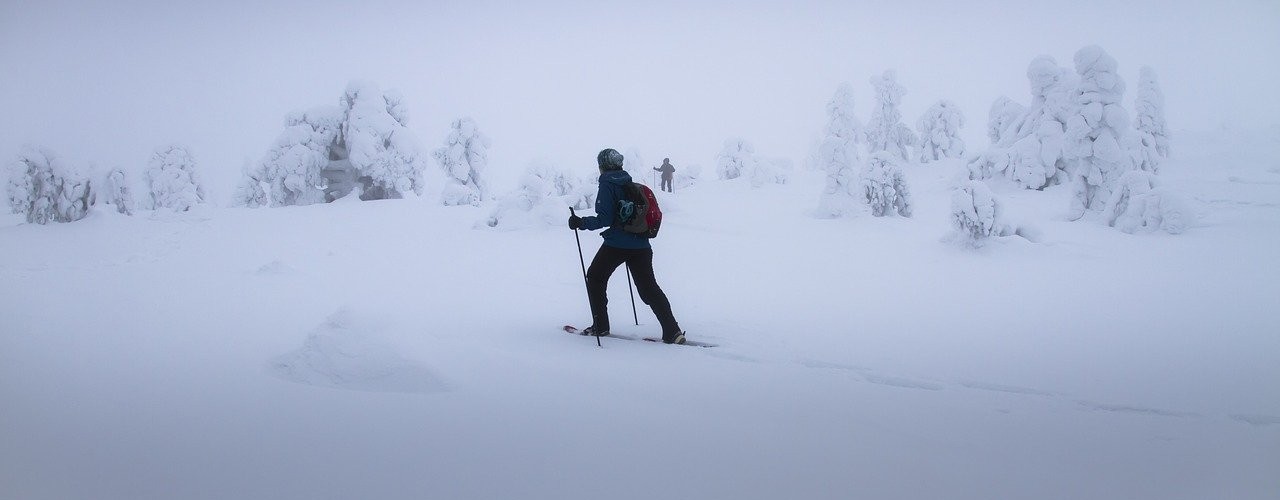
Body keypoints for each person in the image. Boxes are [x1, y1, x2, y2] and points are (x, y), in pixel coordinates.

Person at [568, 148, 685, 344]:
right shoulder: (629, 183)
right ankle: (673, 331)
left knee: (595, 278)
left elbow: (605, 219)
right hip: (641, 246)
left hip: (616, 245)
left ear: (602, 166)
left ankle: (601, 326)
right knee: (649, 289)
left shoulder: (607, 184)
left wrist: (581, 223)